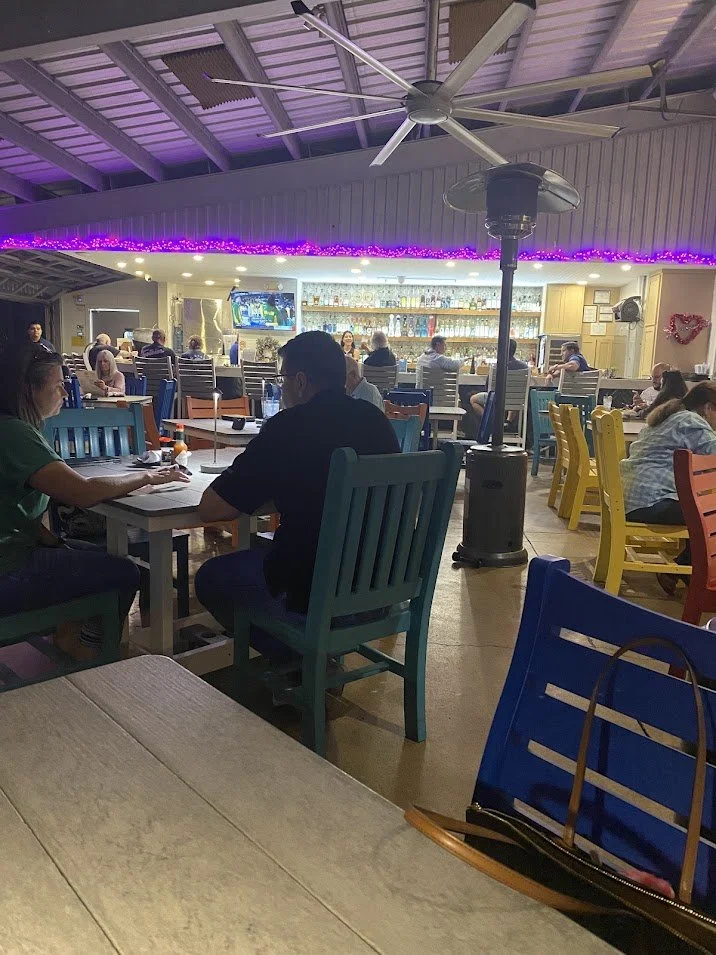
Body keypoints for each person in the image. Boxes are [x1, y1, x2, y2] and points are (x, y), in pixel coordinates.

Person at [195, 331, 399, 660]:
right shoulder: (376, 421)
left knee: (211, 577)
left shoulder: (287, 427)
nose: (283, 385)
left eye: (283, 377)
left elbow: (211, 508)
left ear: (301, 381)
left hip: (317, 592)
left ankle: (305, 658)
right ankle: (313, 657)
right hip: (381, 589)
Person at [0, 344, 189, 640]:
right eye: (59, 385)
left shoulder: (13, 428)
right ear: (28, 390)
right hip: (9, 569)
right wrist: (148, 476)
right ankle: (93, 653)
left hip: (14, 553)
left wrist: (53, 542)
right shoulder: (14, 434)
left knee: (91, 555)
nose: (65, 393)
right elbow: (84, 492)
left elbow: (13, 506)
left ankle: (75, 638)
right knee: (124, 573)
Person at [620, 381, 716, 594]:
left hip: (632, 497)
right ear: (708, 408)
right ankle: (690, 572)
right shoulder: (692, 422)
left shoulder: (671, 416)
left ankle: (684, 568)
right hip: (651, 501)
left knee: (706, 507)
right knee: (710, 513)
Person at [468, 339, 527, 432]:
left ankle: (490, 422)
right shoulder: (524, 367)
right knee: (515, 397)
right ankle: (508, 422)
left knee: (473, 399)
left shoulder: (496, 367)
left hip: (496, 399)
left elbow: (488, 386)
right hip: (517, 401)